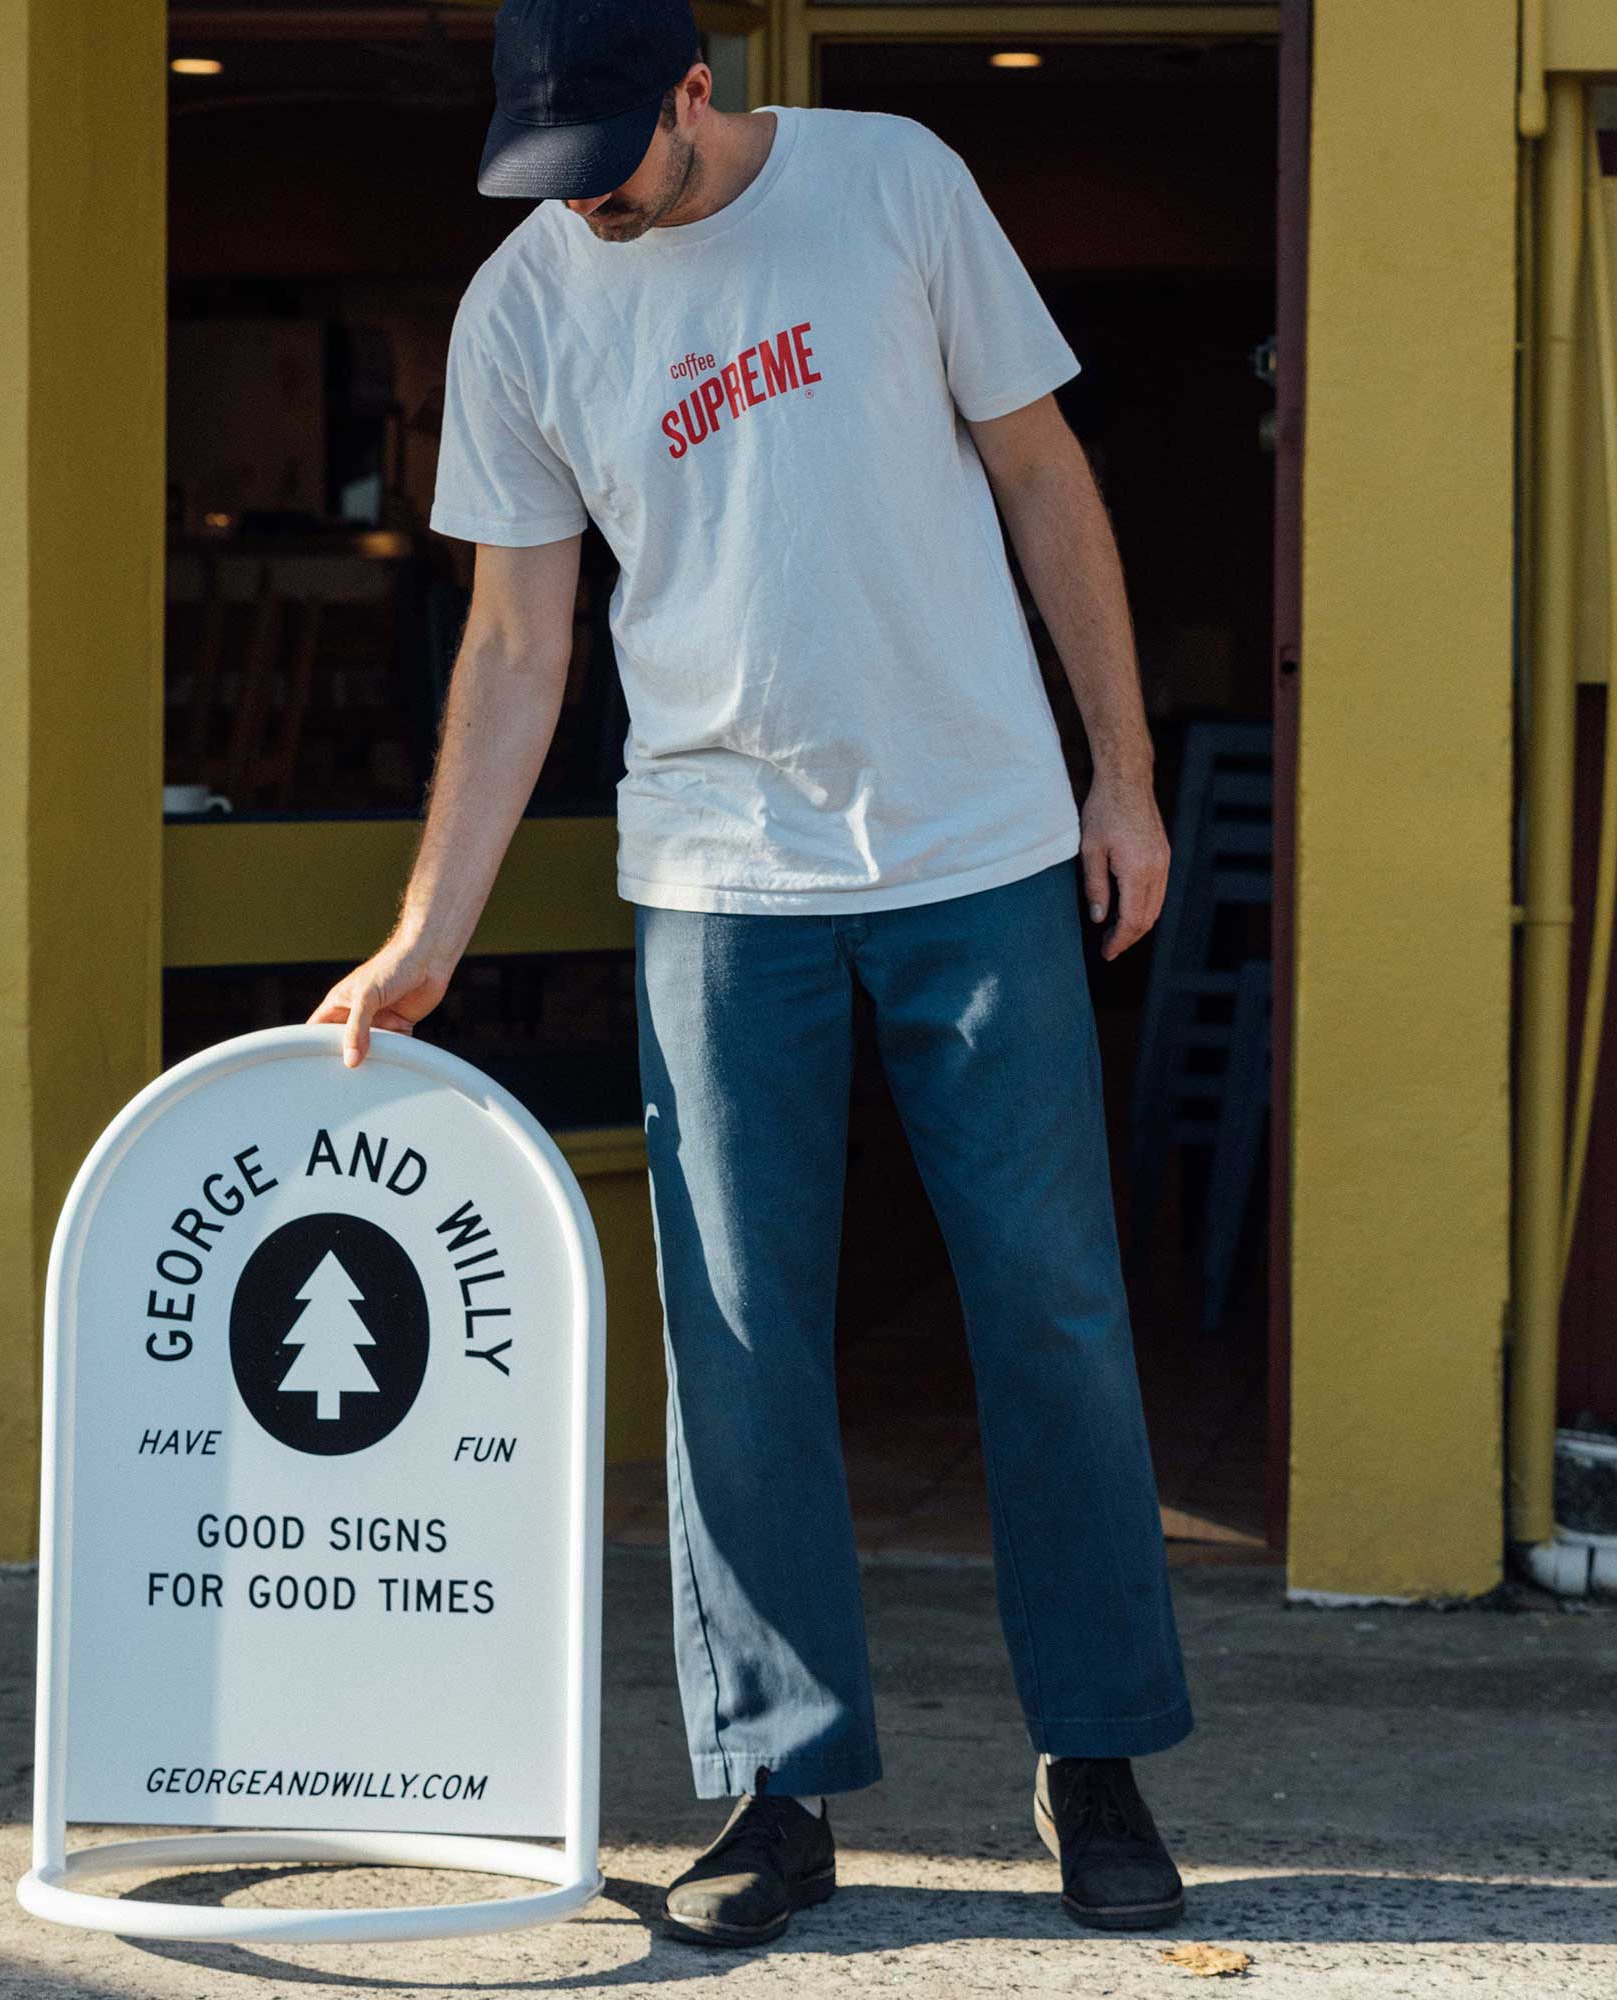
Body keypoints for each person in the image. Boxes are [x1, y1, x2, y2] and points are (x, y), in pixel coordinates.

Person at [310, 0, 1193, 1950]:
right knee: (736, 1341)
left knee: (1047, 1309)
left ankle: (1100, 1758)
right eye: (547, 173)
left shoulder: (895, 187)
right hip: (716, 873)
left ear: (695, 89)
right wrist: (426, 933)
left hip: (976, 846)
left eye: (612, 156)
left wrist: (1118, 774)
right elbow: (518, 648)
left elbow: (1042, 477)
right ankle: (779, 1788)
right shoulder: (523, 305)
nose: (587, 202)